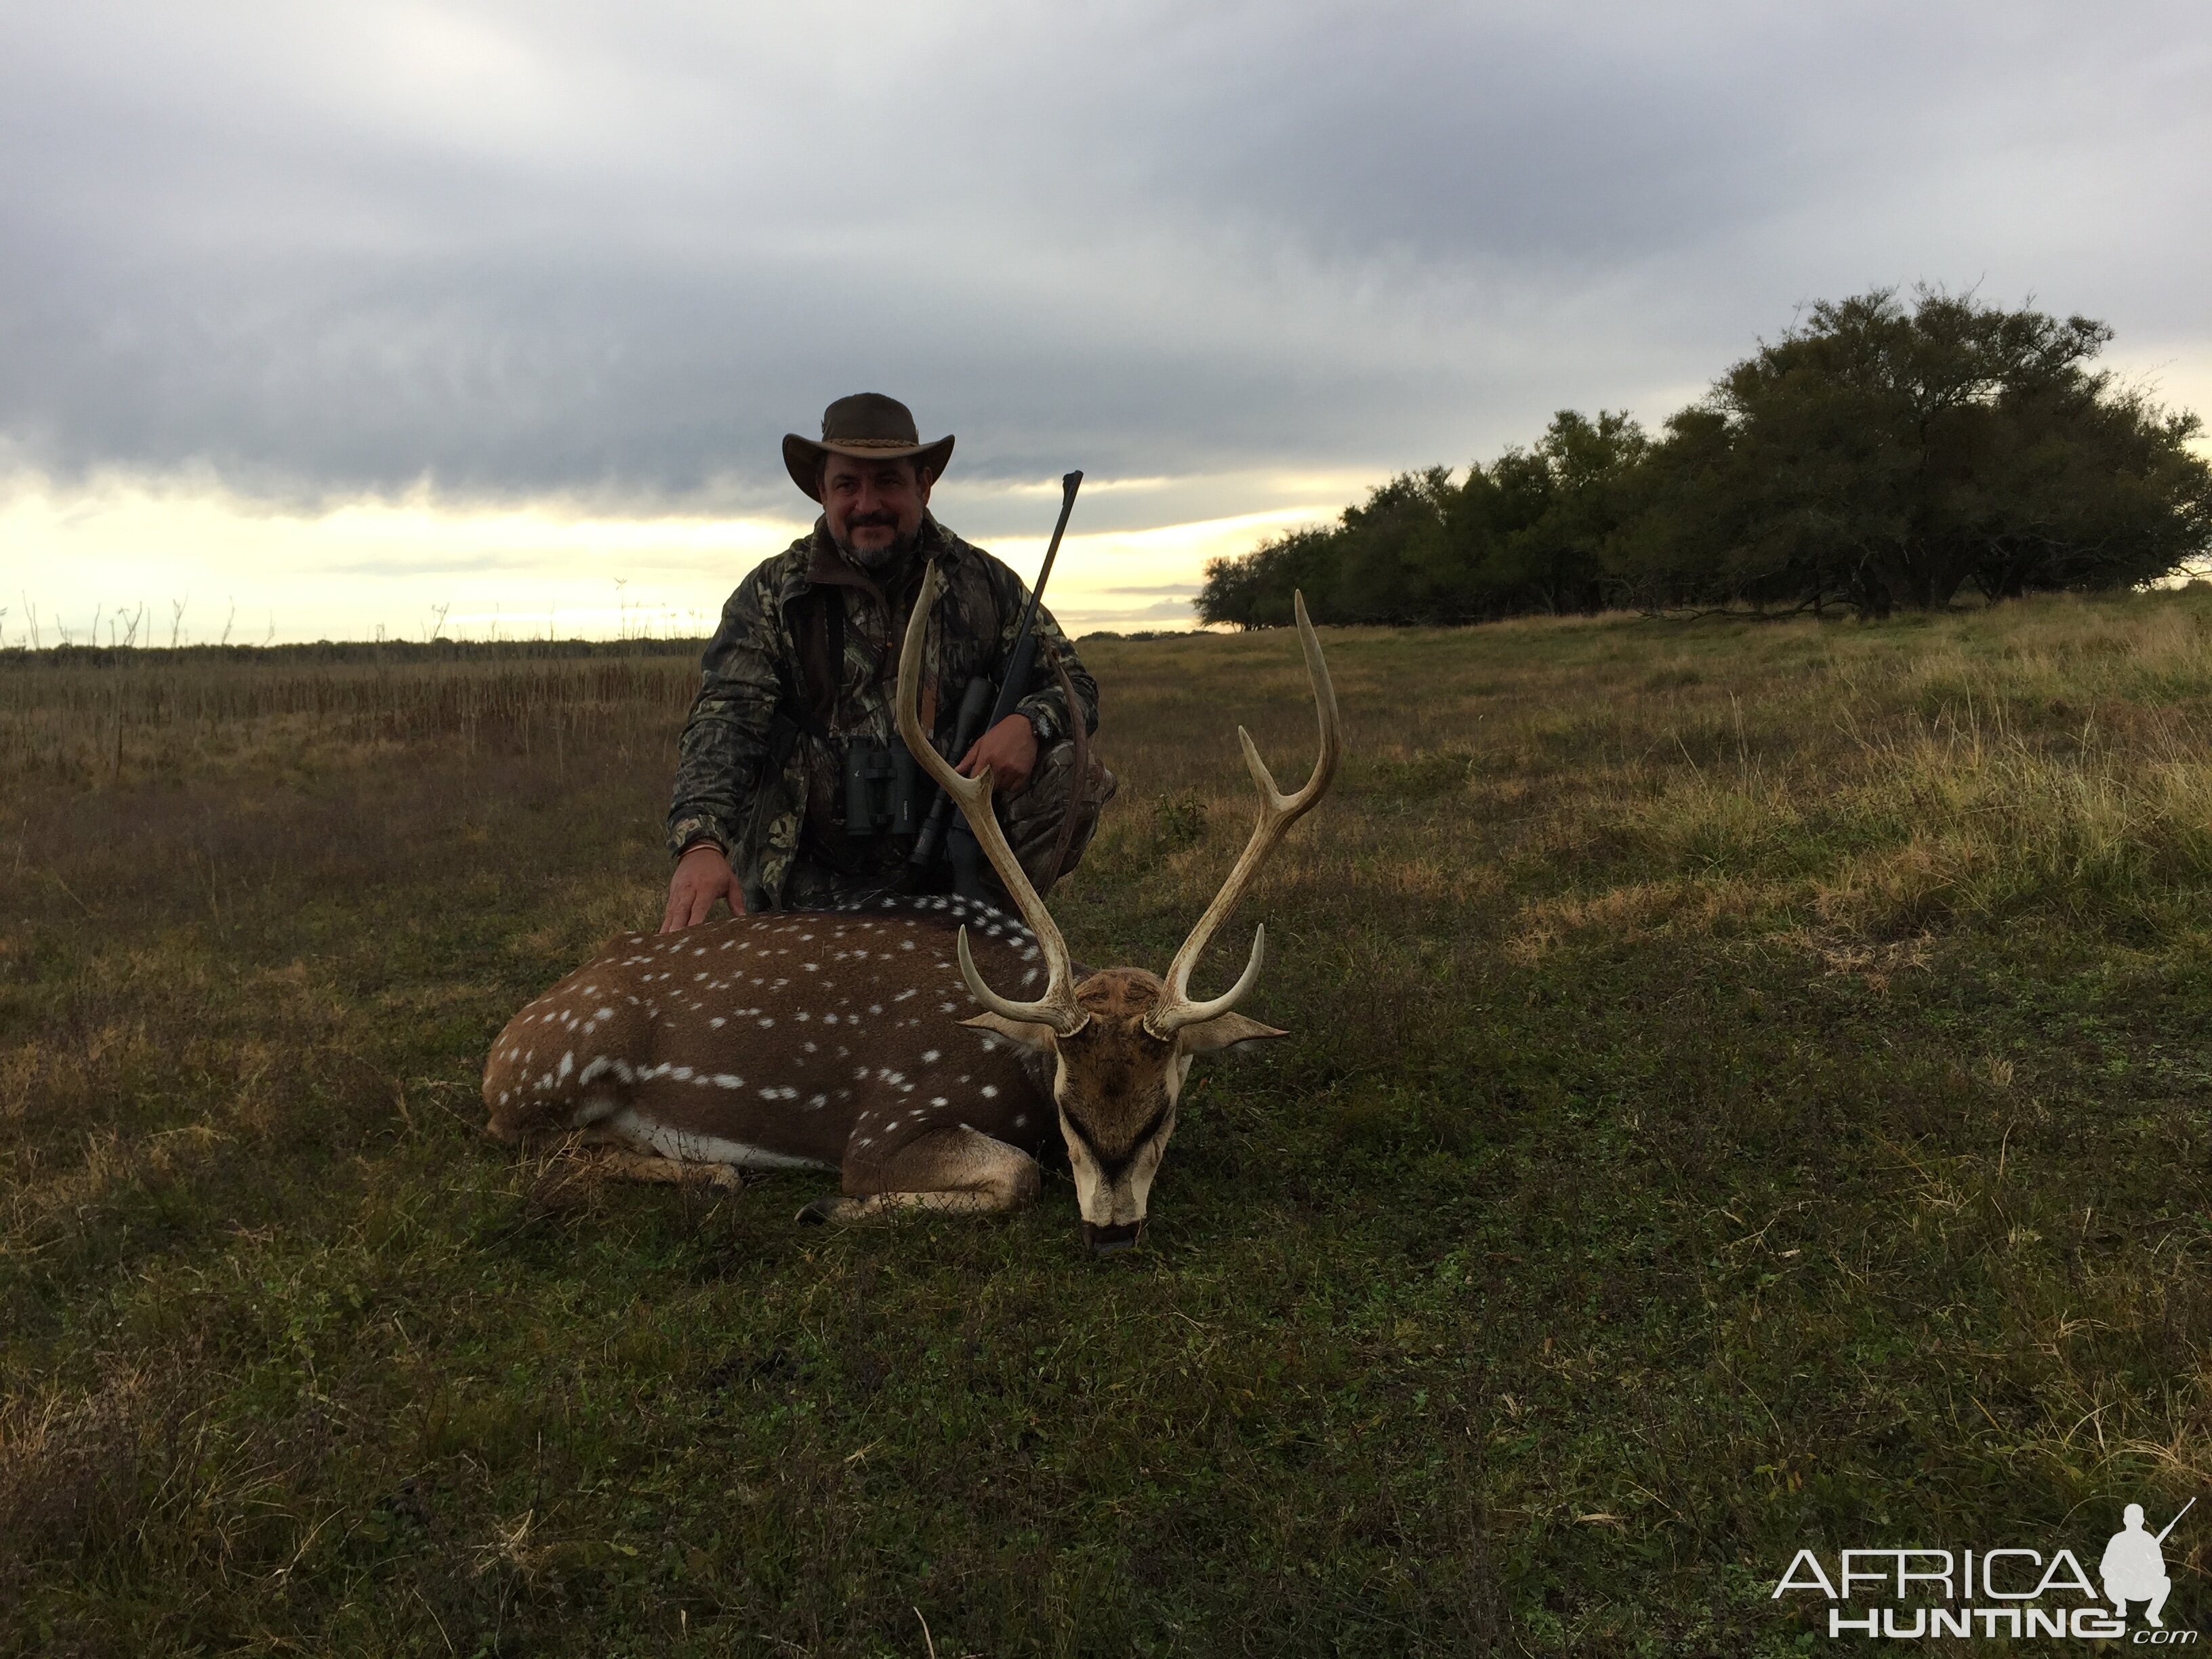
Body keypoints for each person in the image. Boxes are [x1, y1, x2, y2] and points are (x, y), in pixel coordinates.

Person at [661, 393, 1112, 930]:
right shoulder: (771, 595)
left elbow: (1075, 684)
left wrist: (1029, 723)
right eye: (848, 485)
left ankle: (999, 926)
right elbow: (725, 721)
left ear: (923, 485)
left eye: (888, 483)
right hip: (807, 884)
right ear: (821, 492)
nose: (867, 503)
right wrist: (701, 843)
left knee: (1074, 771)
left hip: (947, 861)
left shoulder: (985, 584)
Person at [2101, 1503, 2172, 1627]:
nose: (2134, 1522)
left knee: (2165, 1582)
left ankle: (2153, 1614)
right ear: (2125, 1520)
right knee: (2108, 1581)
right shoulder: (2117, 1540)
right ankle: (2120, 1604)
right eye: (2130, 1518)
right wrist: (2117, 1572)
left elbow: (2161, 1570)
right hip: (2123, 1587)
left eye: (2136, 1519)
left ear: (2142, 1520)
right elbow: (2105, 1568)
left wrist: (2148, 1567)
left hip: (2143, 1587)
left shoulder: (2149, 1540)